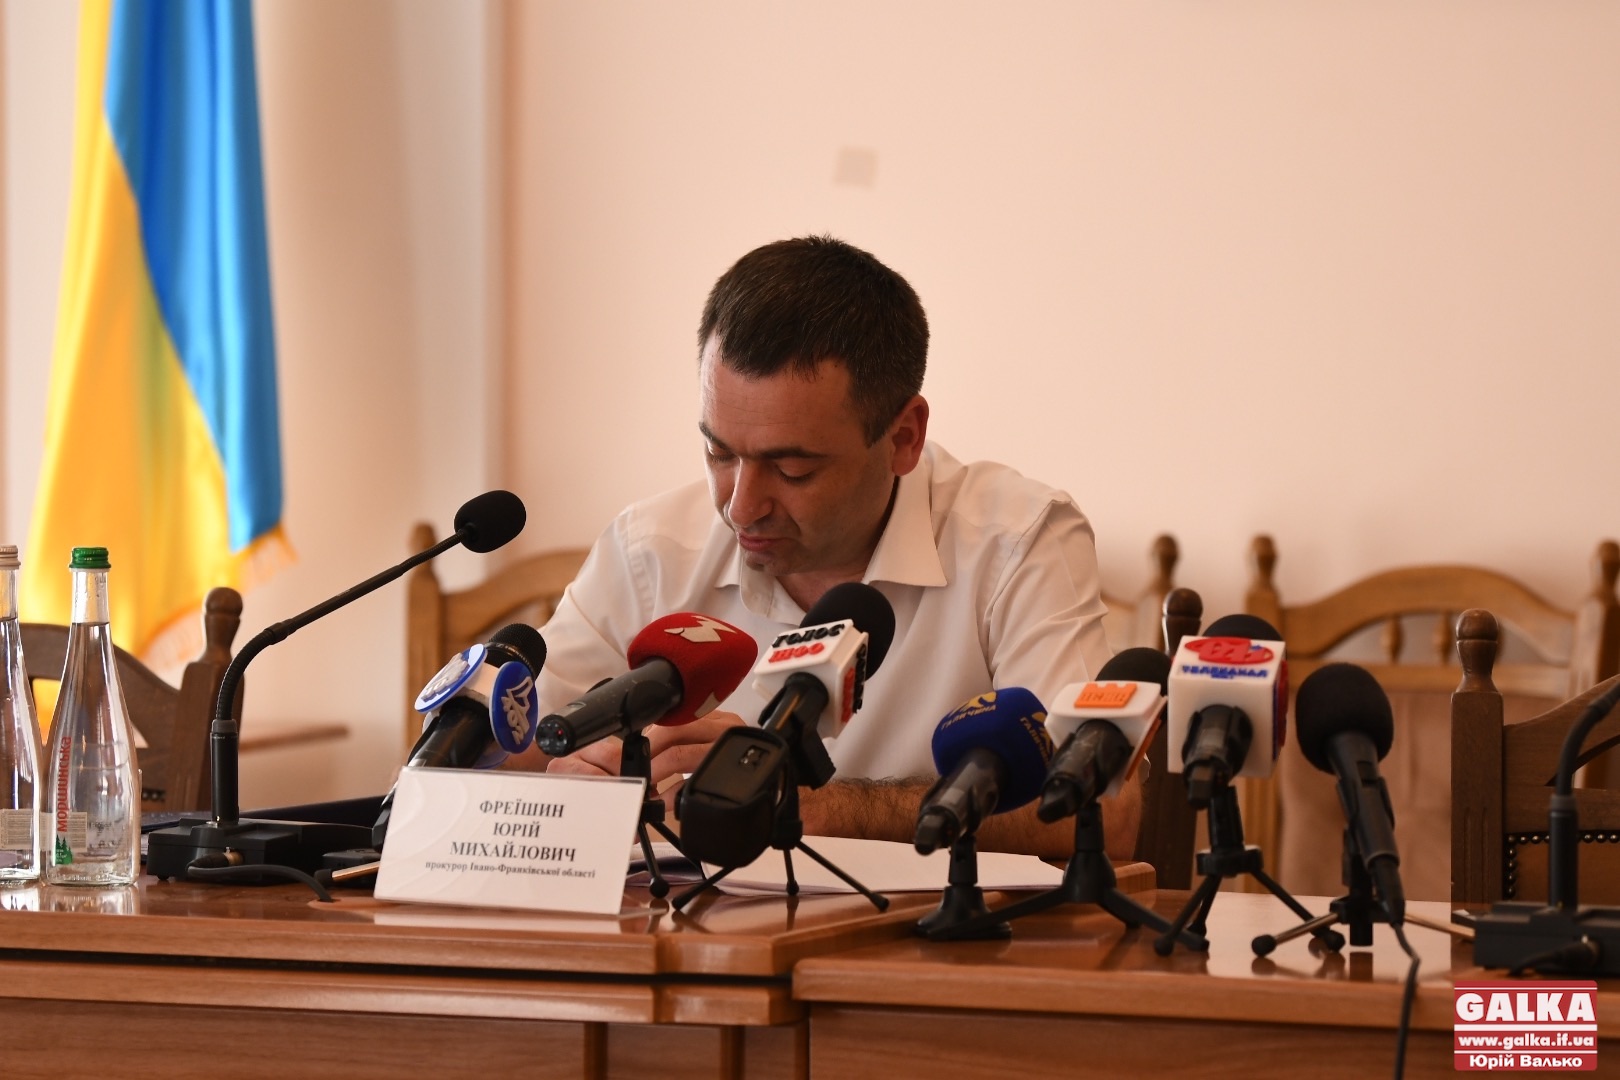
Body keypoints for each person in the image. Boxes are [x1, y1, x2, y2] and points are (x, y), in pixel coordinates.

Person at [512, 235, 1135, 859]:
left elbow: (1100, 808)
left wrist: (806, 807)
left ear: (903, 438)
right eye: (719, 452)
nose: (740, 507)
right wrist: (579, 775)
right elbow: (504, 749)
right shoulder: (651, 550)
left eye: (793, 470)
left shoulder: (1017, 541)